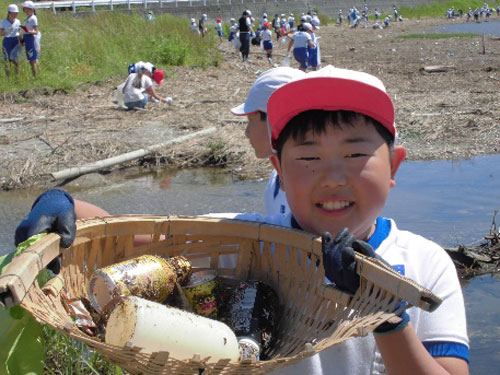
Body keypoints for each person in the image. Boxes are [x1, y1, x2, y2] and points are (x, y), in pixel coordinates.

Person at [15, 65, 470, 375]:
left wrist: (385, 312)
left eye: (355, 154)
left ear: (394, 167)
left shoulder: (423, 264)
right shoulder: (248, 241)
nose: (333, 178)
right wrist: (64, 206)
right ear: (278, 170)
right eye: (308, 157)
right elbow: (136, 241)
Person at [230, 67, 305, 216]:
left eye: (250, 120)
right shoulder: (276, 176)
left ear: (274, 121)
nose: (246, 132)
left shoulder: (311, 187)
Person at [0, 4, 21, 76]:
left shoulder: (18, 21)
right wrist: (6, 31)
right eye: (14, 13)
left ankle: (17, 77)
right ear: (9, 13)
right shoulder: (3, 22)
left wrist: (21, 40)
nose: (15, 15)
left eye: (16, 13)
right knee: (7, 60)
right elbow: (1, 33)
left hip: (16, 40)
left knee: (15, 60)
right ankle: (8, 77)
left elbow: (19, 31)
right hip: (7, 40)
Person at [20, 1, 40, 77]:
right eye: (25, 9)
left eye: (27, 9)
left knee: (33, 59)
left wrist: (28, 31)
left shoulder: (33, 18)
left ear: (32, 9)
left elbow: (36, 31)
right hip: (27, 38)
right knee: (31, 58)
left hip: (31, 39)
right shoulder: (27, 19)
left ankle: (35, 76)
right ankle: (36, 74)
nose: (26, 11)